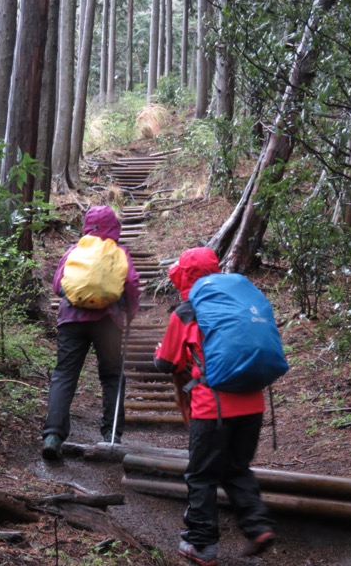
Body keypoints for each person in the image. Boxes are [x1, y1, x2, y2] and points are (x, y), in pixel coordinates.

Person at [154, 247, 275, 566]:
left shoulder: (188, 310)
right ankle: (258, 526)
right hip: (252, 401)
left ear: (184, 275)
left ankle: (201, 544)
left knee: (202, 474)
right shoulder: (237, 302)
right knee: (236, 467)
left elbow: (166, 362)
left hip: (214, 407)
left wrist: (161, 353)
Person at [41, 205, 141, 460]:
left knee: (64, 374)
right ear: (114, 227)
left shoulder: (75, 250)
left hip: (71, 320)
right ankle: (111, 434)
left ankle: (53, 435)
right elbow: (130, 284)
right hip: (107, 322)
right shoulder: (119, 253)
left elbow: (57, 285)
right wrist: (129, 312)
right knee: (112, 375)